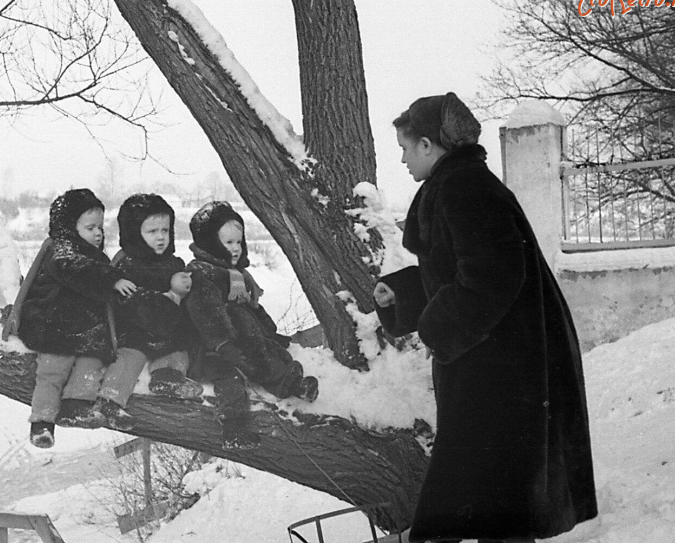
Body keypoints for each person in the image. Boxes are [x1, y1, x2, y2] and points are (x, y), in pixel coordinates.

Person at [374, 92, 597, 543]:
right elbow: (464, 269)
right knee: (496, 501)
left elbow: (492, 275)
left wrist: (437, 327)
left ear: (427, 145)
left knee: (497, 501)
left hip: (498, 372)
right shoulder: (461, 183)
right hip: (495, 364)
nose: (401, 160)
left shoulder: (463, 187)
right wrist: (402, 295)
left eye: (404, 147)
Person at [185, 201, 319, 450]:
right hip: (212, 347)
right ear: (210, 242)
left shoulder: (237, 275)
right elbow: (206, 313)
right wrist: (223, 344)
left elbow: (251, 307)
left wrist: (269, 330)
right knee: (231, 381)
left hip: (243, 339)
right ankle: (233, 430)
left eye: (239, 242)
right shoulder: (201, 274)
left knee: (267, 353)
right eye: (228, 243)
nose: (235, 249)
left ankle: (294, 385)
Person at [17, 188, 137, 448]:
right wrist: (111, 278)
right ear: (69, 228)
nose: (98, 233)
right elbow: (75, 269)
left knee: (90, 366)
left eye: (100, 228)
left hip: (86, 331)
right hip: (53, 326)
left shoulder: (98, 259)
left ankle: (75, 407)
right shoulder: (62, 251)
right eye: (90, 227)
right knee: (52, 372)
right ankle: (42, 423)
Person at [90, 193, 205, 428]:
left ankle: (167, 377)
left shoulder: (173, 263)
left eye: (165, 230)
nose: (161, 237)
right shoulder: (127, 266)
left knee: (178, 352)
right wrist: (171, 297)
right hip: (135, 332)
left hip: (168, 334)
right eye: (152, 232)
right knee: (129, 359)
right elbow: (135, 303)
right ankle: (110, 402)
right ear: (135, 234)